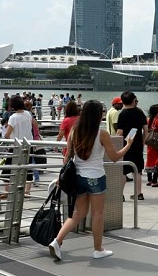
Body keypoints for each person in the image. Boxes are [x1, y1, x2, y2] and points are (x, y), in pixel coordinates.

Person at [48, 100, 132, 261]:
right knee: (97, 213)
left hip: (78, 177)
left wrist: (61, 176)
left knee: (78, 213)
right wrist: (128, 145)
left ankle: (57, 241)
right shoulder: (102, 134)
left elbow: (68, 156)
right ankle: (98, 249)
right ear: (97, 114)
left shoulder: (74, 130)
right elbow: (114, 157)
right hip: (95, 177)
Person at [116, 91, 148, 201]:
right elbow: (145, 129)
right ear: (134, 100)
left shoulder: (122, 114)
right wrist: (143, 141)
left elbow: (120, 132)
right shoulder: (140, 112)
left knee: (123, 170)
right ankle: (139, 193)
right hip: (138, 144)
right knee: (137, 170)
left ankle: (120, 194)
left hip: (125, 145)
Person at [3, 96, 34, 197]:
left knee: (7, 170)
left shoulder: (13, 117)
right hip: (28, 144)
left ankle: (8, 192)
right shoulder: (28, 114)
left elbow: (7, 134)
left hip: (16, 146)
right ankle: (27, 192)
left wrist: (7, 136)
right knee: (27, 169)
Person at [145, 104, 158, 188]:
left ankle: (149, 179)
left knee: (149, 160)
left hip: (150, 142)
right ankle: (154, 181)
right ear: (157, 111)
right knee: (157, 160)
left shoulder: (148, 119)